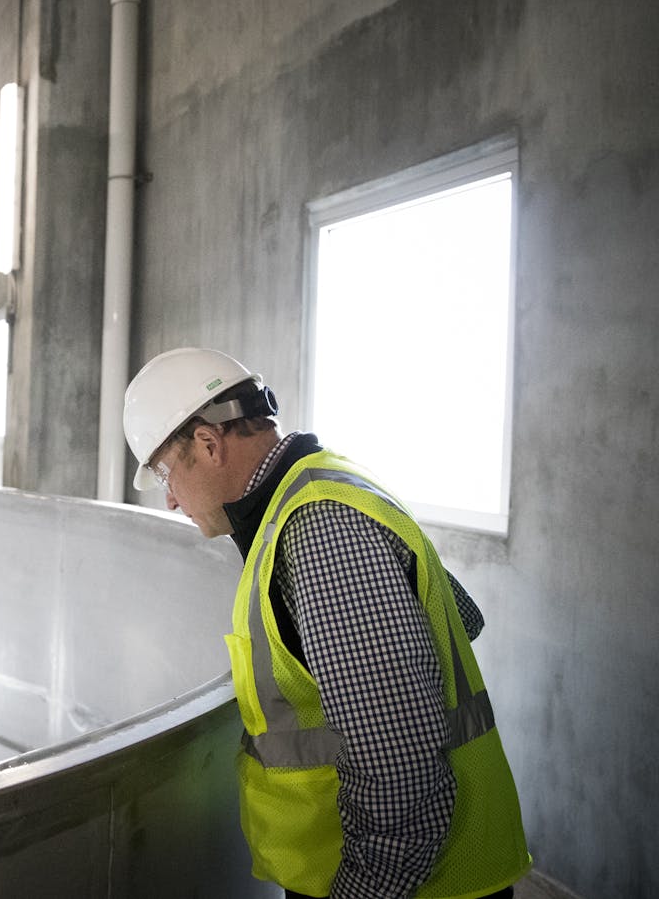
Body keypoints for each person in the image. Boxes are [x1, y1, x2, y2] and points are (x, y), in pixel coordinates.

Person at [122, 347, 531, 899]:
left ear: (208, 444)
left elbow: (399, 763)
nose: (170, 499)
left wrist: (364, 888)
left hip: (408, 883)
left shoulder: (319, 529)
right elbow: (462, 617)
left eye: (166, 473)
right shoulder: (326, 483)